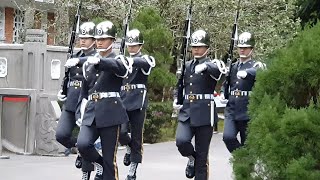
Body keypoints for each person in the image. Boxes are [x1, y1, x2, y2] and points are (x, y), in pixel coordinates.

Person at [75, 20, 132, 180]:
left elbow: (121, 70)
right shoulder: (88, 63)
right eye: (98, 39)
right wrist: (80, 111)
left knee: (109, 160)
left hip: (110, 112)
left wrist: (101, 61)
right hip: (92, 111)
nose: (99, 42)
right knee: (83, 144)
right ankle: (98, 164)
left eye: (103, 39)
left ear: (112, 40)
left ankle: (105, 168)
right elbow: (85, 91)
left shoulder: (119, 60)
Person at [173, 29, 227, 180]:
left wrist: (206, 67)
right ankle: (191, 158)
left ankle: (198, 165)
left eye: (200, 46)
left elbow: (219, 71)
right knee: (182, 141)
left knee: (202, 157)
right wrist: (177, 99)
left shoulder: (212, 64)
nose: (196, 49)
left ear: (207, 48)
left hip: (205, 113)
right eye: (194, 46)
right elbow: (180, 85)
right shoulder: (188, 65)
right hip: (187, 111)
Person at [55, 21, 96, 180]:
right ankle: (79, 149)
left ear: (94, 39)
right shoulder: (74, 56)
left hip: (86, 104)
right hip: (71, 103)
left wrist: (80, 61)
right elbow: (69, 78)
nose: (83, 40)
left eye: (87, 37)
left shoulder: (96, 58)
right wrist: (62, 89)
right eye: (81, 37)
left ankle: (86, 174)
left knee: (84, 139)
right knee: (61, 135)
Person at [118, 29, 155, 180]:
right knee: (121, 132)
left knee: (137, 136)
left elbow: (148, 63)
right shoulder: (123, 59)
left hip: (138, 102)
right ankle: (128, 147)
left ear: (140, 45)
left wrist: (130, 60)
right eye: (129, 45)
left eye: (134, 45)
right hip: (122, 100)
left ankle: (132, 170)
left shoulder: (143, 59)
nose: (131, 48)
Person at [221, 32, 266, 153]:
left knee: (248, 143)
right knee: (228, 137)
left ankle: (246, 167)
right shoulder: (233, 66)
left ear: (252, 49)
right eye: (240, 48)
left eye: (245, 48)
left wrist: (247, 73)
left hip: (248, 109)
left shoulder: (255, 65)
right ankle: (241, 159)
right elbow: (227, 83)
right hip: (232, 109)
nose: (242, 50)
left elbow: (259, 70)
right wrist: (222, 94)